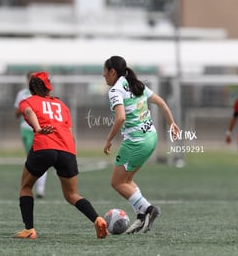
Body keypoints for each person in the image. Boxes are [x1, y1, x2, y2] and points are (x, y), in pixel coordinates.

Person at [13, 71, 108, 240]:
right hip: (67, 149)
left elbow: (28, 112)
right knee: (72, 195)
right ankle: (97, 218)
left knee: (25, 187)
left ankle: (29, 230)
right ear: (49, 88)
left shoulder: (27, 100)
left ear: (31, 87)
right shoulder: (61, 105)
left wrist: (39, 128)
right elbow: (70, 133)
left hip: (44, 145)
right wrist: (71, 154)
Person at [102, 56, 180, 234]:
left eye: (105, 71)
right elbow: (161, 102)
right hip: (151, 138)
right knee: (127, 180)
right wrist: (172, 123)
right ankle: (141, 216)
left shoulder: (116, 90)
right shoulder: (137, 84)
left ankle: (148, 209)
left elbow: (120, 117)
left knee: (117, 182)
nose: (103, 75)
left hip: (135, 142)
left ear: (113, 71)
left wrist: (108, 140)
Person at [14, 72, 47, 198]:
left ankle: (40, 188)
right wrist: (23, 108)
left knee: (40, 158)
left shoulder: (43, 94)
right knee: (31, 158)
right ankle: (30, 186)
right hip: (26, 130)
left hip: (39, 130)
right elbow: (16, 113)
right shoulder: (22, 95)